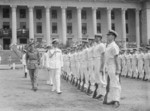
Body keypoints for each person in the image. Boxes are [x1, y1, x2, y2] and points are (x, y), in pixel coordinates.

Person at [102, 30, 121, 108]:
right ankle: (113, 99)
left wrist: (117, 69)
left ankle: (117, 101)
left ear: (113, 36)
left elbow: (116, 58)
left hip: (113, 66)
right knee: (112, 84)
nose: (107, 36)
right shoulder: (109, 45)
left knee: (115, 83)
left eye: (109, 35)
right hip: (109, 66)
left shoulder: (114, 46)